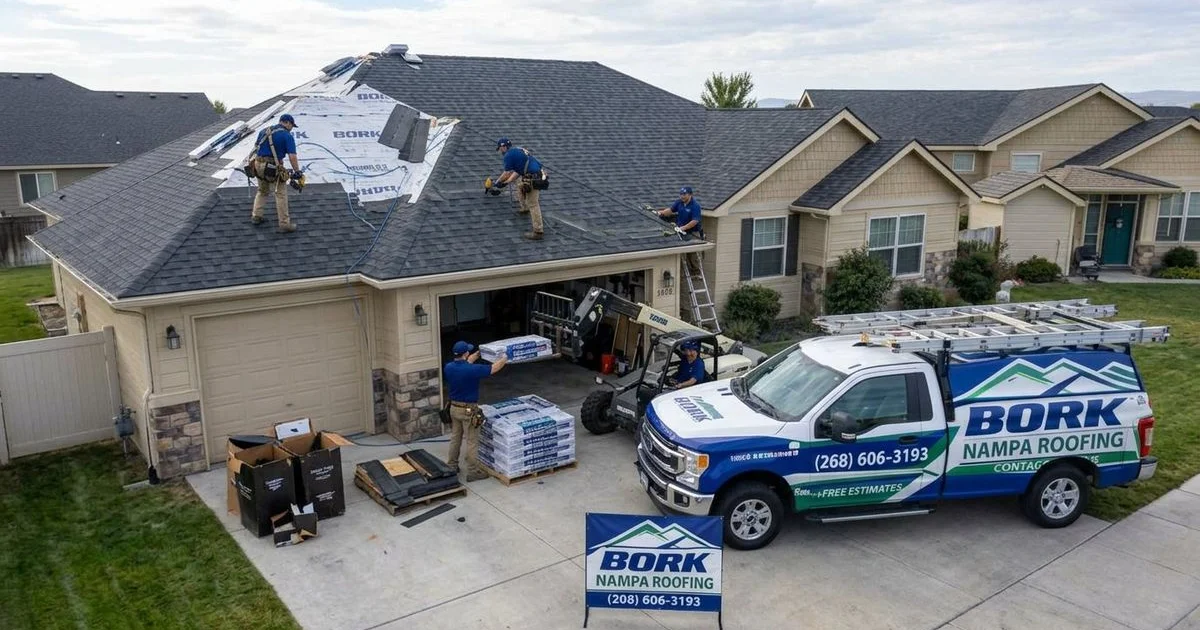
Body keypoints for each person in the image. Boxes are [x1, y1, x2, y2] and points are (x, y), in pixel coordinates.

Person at [443, 340, 508, 481]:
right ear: (465, 353)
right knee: (472, 441)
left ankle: (452, 465)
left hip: (454, 408)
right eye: (468, 352)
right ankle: (473, 471)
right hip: (468, 411)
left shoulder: (449, 367)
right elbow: (493, 368)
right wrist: (505, 358)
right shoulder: (472, 370)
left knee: (456, 438)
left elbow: (466, 364)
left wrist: (478, 354)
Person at [249, 114, 302, 233]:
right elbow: (292, 156)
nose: (292, 128)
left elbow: (258, 148)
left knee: (262, 191)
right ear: (287, 123)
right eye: (292, 125)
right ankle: (284, 224)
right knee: (280, 194)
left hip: (258, 164)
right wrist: (297, 171)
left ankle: (256, 216)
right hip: (271, 168)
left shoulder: (264, 131)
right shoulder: (287, 135)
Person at [493, 138, 545, 241]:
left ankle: (538, 231)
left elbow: (507, 173)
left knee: (533, 203)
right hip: (533, 174)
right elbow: (517, 172)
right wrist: (506, 183)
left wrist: (498, 182)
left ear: (504, 147)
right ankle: (524, 208)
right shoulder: (518, 150)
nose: (500, 151)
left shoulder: (508, 156)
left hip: (534, 177)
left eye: (500, 149)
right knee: (520, 185)